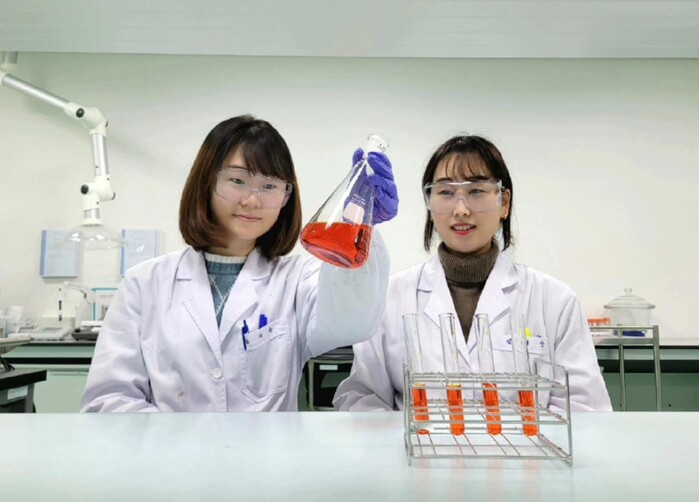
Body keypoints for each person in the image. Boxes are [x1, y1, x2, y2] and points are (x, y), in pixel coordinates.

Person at [81, 114, 398, 412]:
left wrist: (361, 220)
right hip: (167, 452)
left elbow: (351, 322)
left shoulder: (297, 279)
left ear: (286, 197)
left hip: (266, 454)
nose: (252, 200)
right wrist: (179, 443)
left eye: (270, 186)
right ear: (206, 183)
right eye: (237, 180)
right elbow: (109, 400)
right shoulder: (144, 283)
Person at [334, 135, 612, 412]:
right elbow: (362, 397)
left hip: (528, 444)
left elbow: (586, 410)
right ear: (429, 203)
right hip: (416, 443)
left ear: (504, 203)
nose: (461, 210)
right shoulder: (390, 297)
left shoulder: (554, 300)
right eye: (446, 192)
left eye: (476, 191)